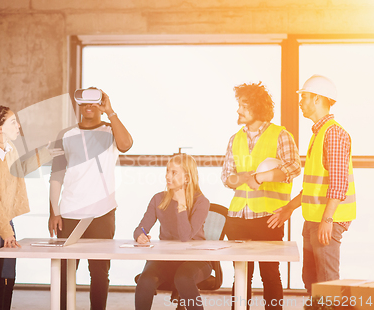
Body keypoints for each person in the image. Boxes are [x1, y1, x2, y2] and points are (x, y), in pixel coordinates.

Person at [268, 75, 356, 295]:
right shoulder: (319, 134)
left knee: (326, 285)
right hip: (314, 220)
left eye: (304, 97)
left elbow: (338, 182)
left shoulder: (333, 133)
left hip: (326, 221)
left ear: (318, 99)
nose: (300, 102)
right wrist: (289, 208)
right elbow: (313, 187)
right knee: (312, 282)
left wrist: (328, 219)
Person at [0, 105, 62, 310]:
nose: (18, 125)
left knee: (7, 276)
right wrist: (6, 232)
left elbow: (20, 168)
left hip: (4, 221)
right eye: (12, 122)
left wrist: (45, 153)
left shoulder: (9, 149)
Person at [49, 89, 133, 310]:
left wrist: (111, 112)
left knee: (99, 272)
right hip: (69, 213)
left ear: (101, 104)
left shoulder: (110, 131)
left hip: (102, 213)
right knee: (65, 272)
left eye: (94, 102)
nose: (88, 106)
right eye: (84, 102)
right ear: (79, 104)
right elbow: (56, 175)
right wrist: (53, 211)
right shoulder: (65, 135)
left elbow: (126, 145)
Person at [221, 82, 301, 310]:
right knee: (241, 275)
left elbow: (294, 168)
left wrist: (262, 177)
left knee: (269, 273)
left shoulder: (281, 135)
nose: (239, 110)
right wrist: (244, 177)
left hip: (268, 218)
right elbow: (227, 177)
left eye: (243, 105)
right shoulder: (235, 139)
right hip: (237, 218)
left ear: (257, 107)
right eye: (239, 104)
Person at [133, 154, 212, 310]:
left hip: (196, 261)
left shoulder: (201, 202)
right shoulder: (158, 199)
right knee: (145, 280)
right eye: (167, 171)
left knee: (183, 278)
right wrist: (140, 235)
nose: (167, 176)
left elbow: (185, 237)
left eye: (174, 172)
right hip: (166, 258)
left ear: (187, 178)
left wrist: (181, 204)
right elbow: (141, 227)